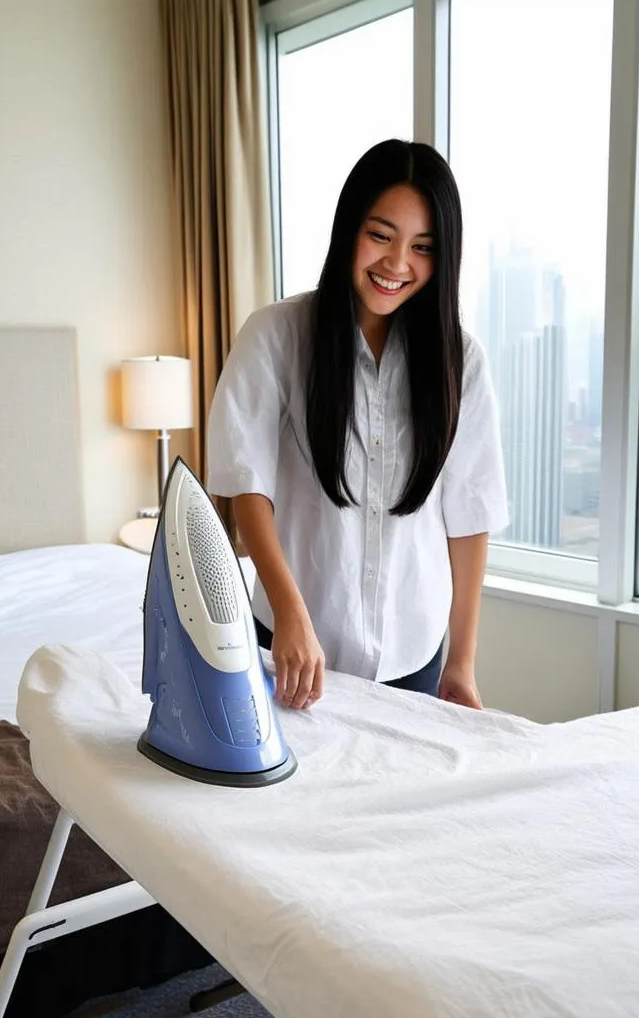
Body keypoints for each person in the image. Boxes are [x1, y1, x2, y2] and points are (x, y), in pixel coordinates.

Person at [207, 139, 508, 712]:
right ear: (349, 229)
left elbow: (470, 517)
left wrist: (461, 661)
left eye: (422, 247)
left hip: (413, 652)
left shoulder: (460, 363)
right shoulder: (275, 336)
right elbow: (249, 488)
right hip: (292, 643)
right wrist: (291, 611)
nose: (397, 264)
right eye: (381, 235)